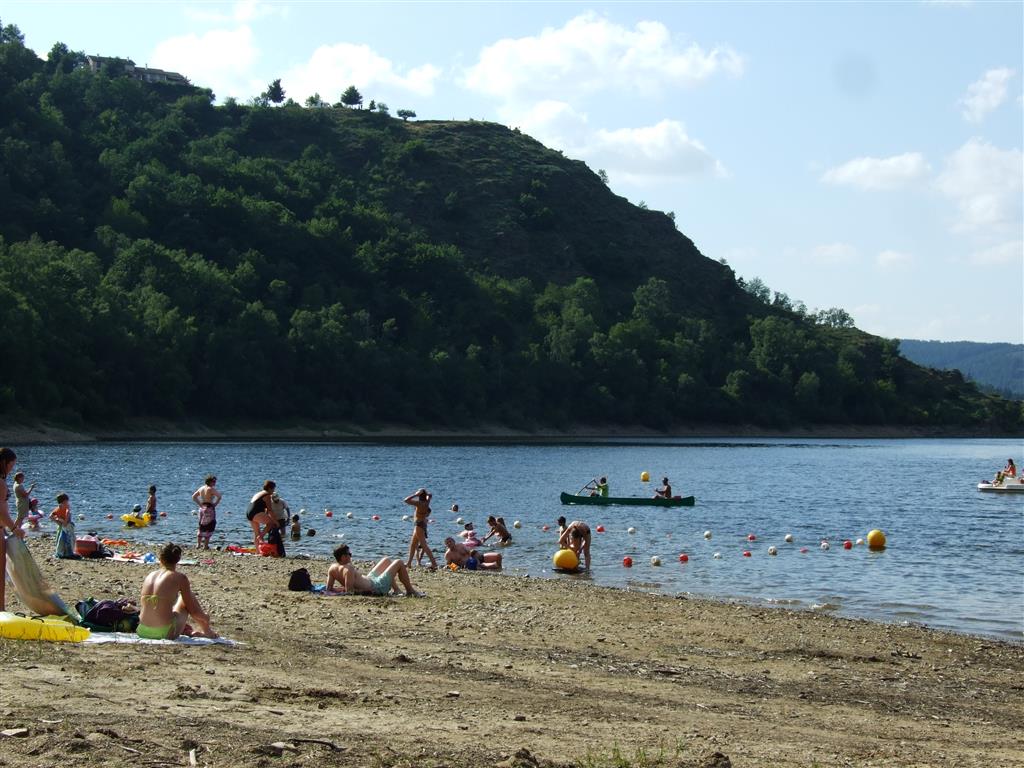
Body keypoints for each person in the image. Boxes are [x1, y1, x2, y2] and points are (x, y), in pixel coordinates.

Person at [138, 543, 217, 640]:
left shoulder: (150, 575)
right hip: (163, 633)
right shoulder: (180, 578)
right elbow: (193, 611)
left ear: (160, 558)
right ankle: (207, 631)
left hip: (142, 630)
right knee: (189, 597)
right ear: (178, 560)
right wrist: (206, 618)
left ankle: (199, 631)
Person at [326, 544, 424, 596]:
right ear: (343, 557)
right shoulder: (348, 569)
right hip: (377, 587)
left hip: (370, 579)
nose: (351, 556)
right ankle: (410, 591)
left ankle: (397, 590)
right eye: (349, 554)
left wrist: (340, 589)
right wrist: (369, 591)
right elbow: (350, 591)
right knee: (399, 562)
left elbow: (329, 589)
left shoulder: (332, 568)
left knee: (386, 560)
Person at [0, 447, 27, 611]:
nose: (12, 468)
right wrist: (15, 528)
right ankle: (0, 610)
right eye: (11, 464)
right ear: (4, 463)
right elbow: (1, 512)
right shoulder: (1, 483)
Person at [404, 488, 438, 570]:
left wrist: (416, 494)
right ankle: (409, 563)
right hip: (419, 524)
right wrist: (425, 494)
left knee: (424, 546)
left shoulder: (419, 503)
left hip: (419, 525)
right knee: (413, 545)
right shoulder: (427, 501)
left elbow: (406, 500)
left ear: (420, 495)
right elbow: (430, 495)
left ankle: (434, 564)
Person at [191, 475, 222, 549]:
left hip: (202, 508)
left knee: (201, 526)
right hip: (209, 508)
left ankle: (198, 544)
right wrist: (215, 504)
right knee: (209, 525)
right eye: (214, 481)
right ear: (210, 482)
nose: (215, 483)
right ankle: (205, 545)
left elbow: (194, 497)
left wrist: (200, 504)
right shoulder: (210, 489)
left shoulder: (201, 488)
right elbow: (219, 496)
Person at [246, 480, 278, 547]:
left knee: (256, 533)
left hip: (248, 513)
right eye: (273, 489)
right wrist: (276, 521)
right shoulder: (267, 495)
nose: (273, 491)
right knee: (271, 523)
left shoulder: (259, 493)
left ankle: (258, 552)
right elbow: (270, 510)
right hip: (255, 512)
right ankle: (261, 537)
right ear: (269, 488)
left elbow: (264, 509)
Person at [50, 492, 78, 559]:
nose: (68, 503)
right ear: (65, 501)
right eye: (67, 501)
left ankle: (61, 552)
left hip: (61, 526)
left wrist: (58, 522)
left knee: (61, 539)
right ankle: (67, 553)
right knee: (69, 539)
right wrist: (65, 522)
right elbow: (68, 513)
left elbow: (51, 516)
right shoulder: (66, 507)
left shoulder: (58, 508)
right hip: (67, 525)